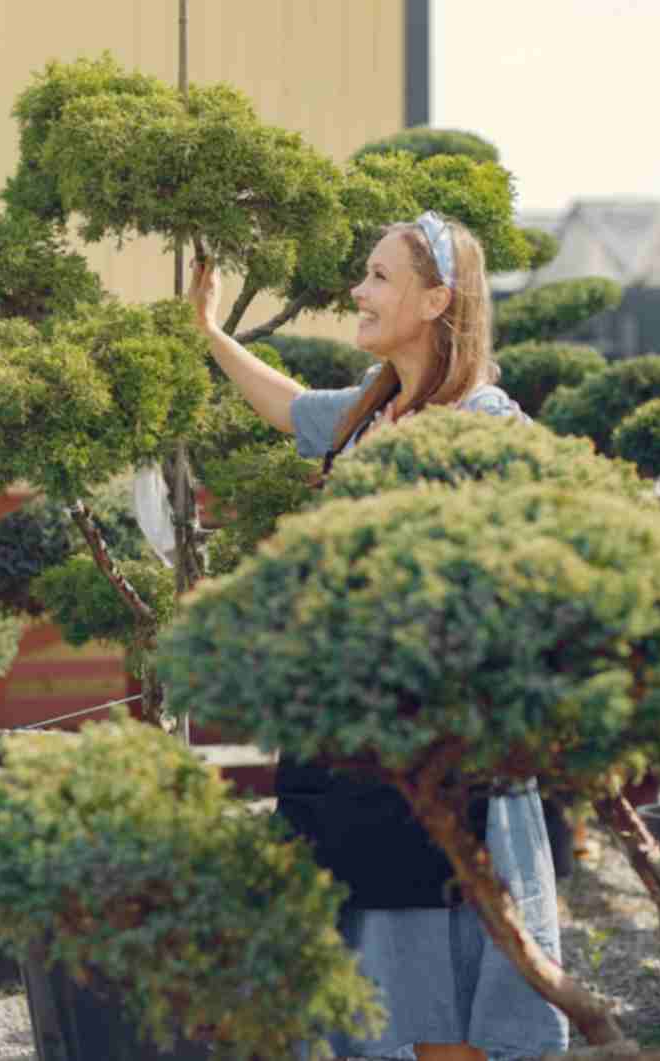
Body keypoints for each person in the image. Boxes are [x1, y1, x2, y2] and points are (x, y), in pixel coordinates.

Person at [188, 213, 570, 1060]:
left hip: (447, 753)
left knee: (448, 982)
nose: (357, 292)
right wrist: (211, 331)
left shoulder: (487, 424)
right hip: (351, 745)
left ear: (437, 299)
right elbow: (288, 410)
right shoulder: (369, 409)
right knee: (374, 990)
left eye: (378, 278)